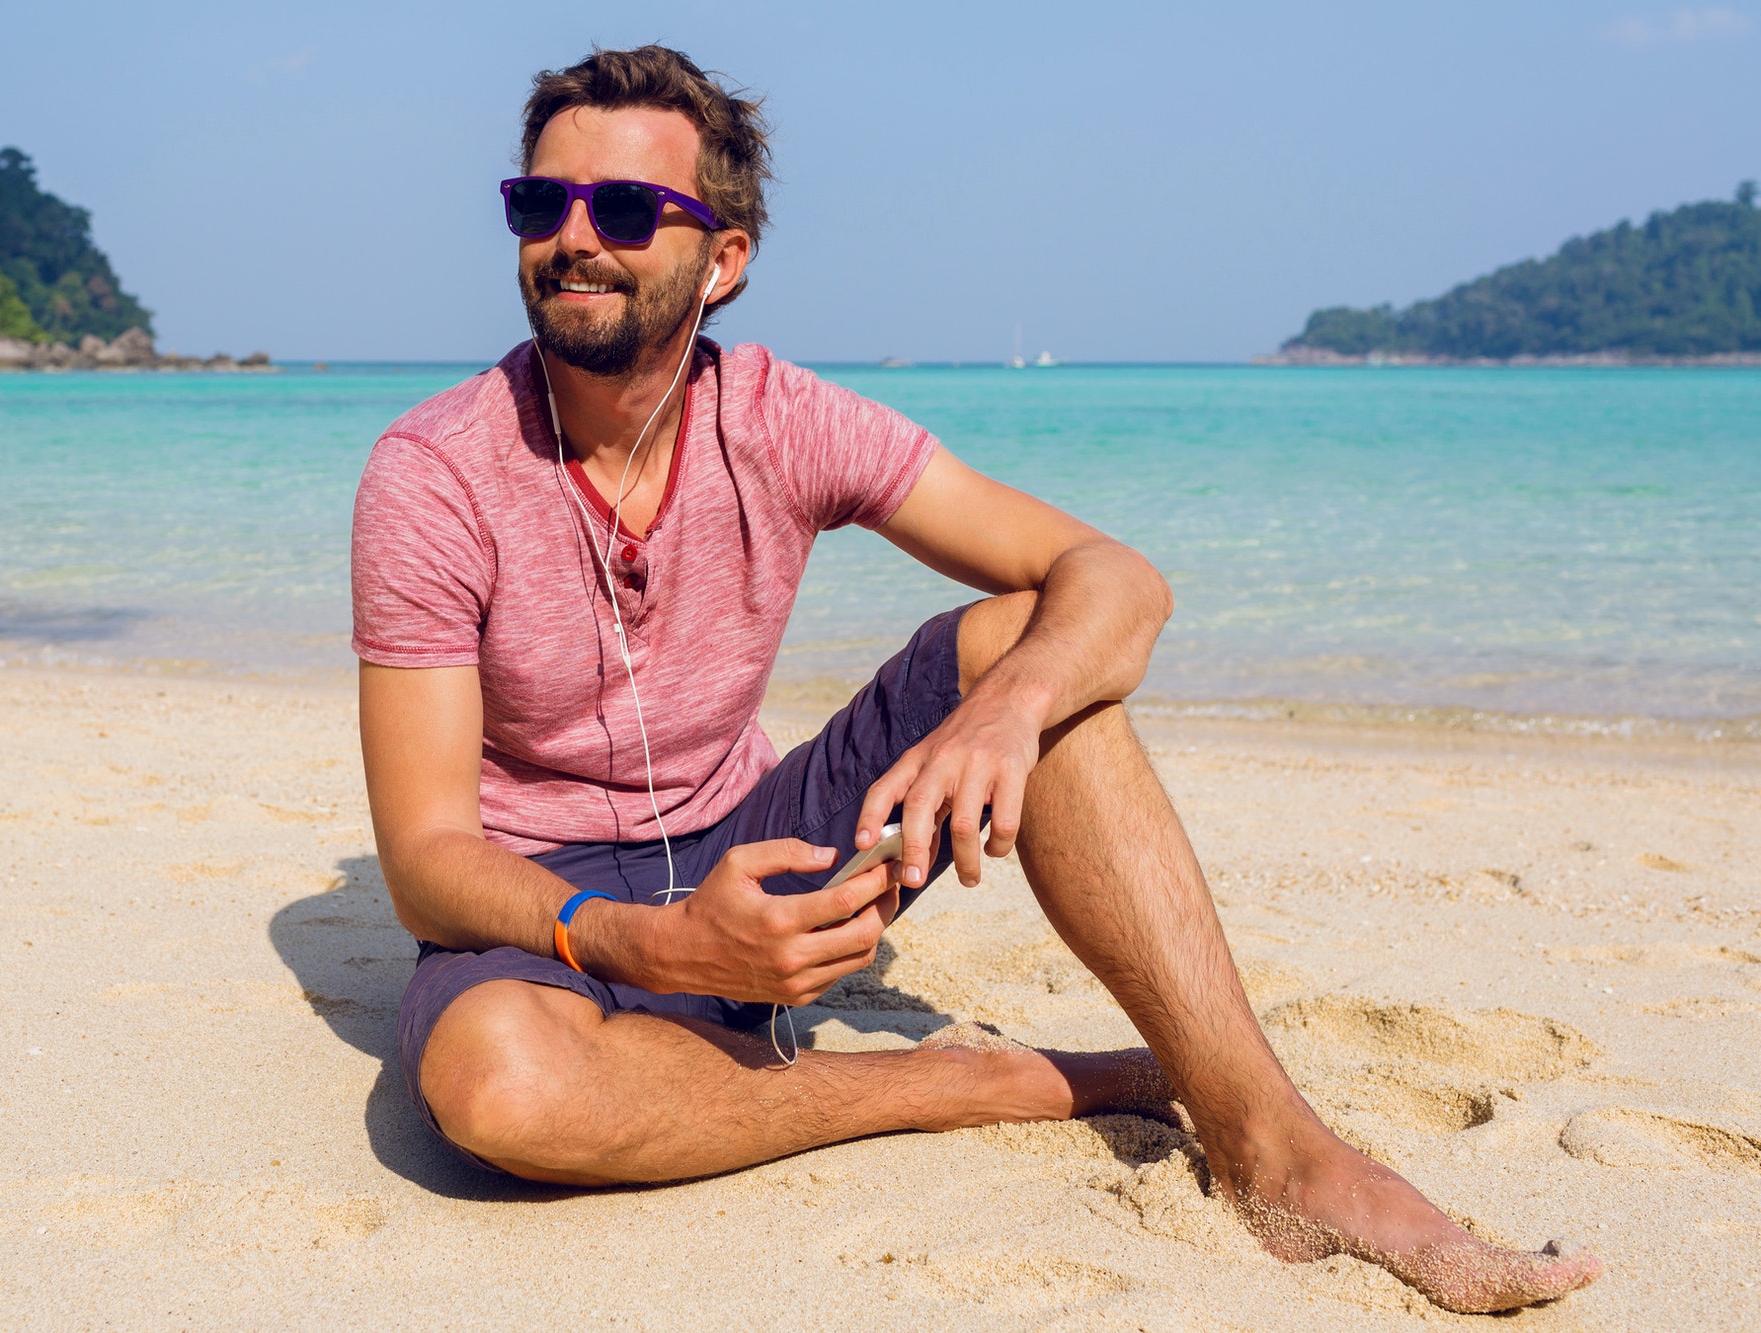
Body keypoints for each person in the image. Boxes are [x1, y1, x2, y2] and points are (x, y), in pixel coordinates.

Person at [350, 45, 1601, 1315]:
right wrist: (643, 943)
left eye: (622, 209)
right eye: (538, 203)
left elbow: (1113, 577)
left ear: (721, 261)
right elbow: (426, 854)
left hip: (750, 848)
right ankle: (985, 1084)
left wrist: (1008, 707)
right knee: (503, 1092)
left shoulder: (779, 420)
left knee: (1027, 640)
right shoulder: (435, 474)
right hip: (547, 903)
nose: (572, 238)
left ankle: (1275, 1151)